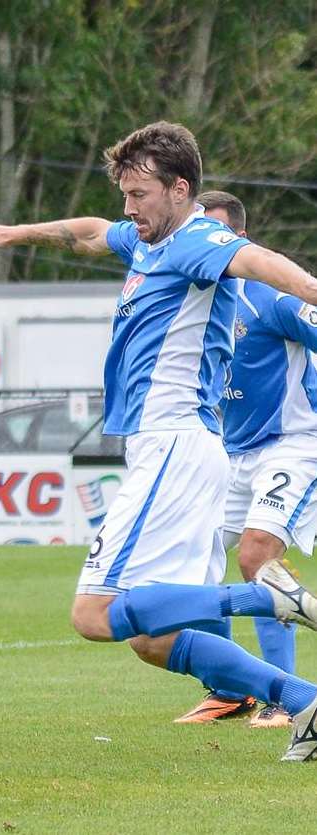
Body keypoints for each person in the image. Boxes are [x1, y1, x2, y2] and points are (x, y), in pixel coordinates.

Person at [0, 121, 317, 762]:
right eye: (124, 192)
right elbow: (92, 230)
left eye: (140, 193)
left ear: (180, 189)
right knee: (154, 637)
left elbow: (264, 265)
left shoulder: (200, 237)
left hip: (173, 442)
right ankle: (303, 699)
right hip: (184, 449)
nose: (128, 207)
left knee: (93, 616)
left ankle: (268, 596)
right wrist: (14, 234)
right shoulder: (150, 240)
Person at [174, 191, 313, 728]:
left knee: (256, 556)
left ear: (238, 240)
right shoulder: (197, 302)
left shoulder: (272, 296)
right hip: (228, 455)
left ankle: (287, 697)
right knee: (196, 562)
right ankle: (232, 688)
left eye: (212, 236)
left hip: (294, 444)